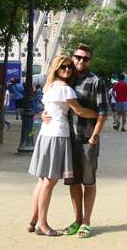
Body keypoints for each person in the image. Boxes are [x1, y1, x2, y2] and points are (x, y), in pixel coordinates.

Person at [42, 43, 109, 239]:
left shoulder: (96, 81)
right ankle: (77, 219)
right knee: (73, 181)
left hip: (88, 139)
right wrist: (43, 114)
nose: (80, 61)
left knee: (88, 181)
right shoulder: (66, 80)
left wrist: (95, 137)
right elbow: (52, 103)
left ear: (90, 61)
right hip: (67, 138)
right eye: (77, 57)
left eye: (85, 58)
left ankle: (86, 221)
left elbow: (103, 112)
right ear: (73, 57)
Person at [28, 56, 100, 237]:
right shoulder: (65, 88)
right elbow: (80, 111)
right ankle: (42, 224)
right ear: (56, 69)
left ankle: (33, 221)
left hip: (45, 135)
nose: (67, 70)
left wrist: (43, 115)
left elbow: (47, 110)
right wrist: (100, 114)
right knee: (49, 182)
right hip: (57, 136)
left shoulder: (50, 87)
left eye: (69, 67)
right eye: (63, 67)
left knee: (42, 180)